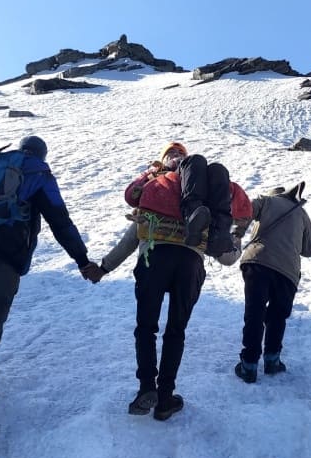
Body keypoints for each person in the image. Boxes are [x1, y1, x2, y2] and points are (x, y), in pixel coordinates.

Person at [85, 142, 248, 421]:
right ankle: (164, 400)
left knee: (146, 327)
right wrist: (234, 242)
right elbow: (228, 258)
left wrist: (104, 267)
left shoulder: (158, 182)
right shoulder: (209, 190)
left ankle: (146, 388)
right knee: (176, 331)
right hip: (191, 264)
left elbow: (133, 235)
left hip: (154, 257)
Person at [0, 135, 100, 401]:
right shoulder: (37, 171)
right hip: (7, 254)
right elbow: (60, 221)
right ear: (41, 155)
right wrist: (82, 260)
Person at [234, 181, 311, 384]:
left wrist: (237, 234)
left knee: (255, 313)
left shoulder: (266, 201)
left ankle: (249, 365)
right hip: (288, 272)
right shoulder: (302, 214)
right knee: (277, 316)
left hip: (258, 262)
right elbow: (310, 250)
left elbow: (244, 211)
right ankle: (272, 360)